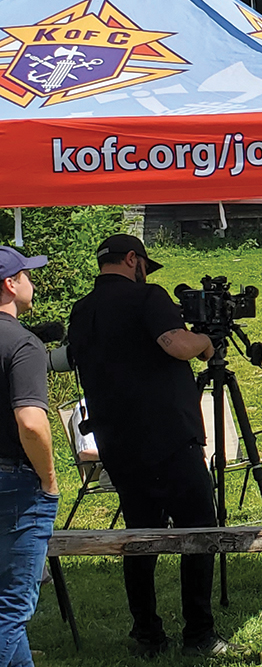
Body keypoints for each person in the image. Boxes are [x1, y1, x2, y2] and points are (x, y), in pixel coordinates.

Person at [67, 234, 249, 658]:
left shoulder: (82, 309)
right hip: (169, 440)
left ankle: (147, 634)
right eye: (144, 264)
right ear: (133, 260)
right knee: (200, 531)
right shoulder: (147, 297)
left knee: (140, 539)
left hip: (116, 442)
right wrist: (205, 342)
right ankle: (199, 633)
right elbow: (177, 345)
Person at [0, 247, 58, 667]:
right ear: (10, 284)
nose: (31, 283)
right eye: (26, 275)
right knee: (10, 610)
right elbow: (32, 423)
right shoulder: (23, 344)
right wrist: (49, 476)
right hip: (15, 484)